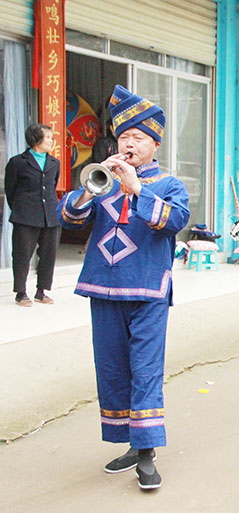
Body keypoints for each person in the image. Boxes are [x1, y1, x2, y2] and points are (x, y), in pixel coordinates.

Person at [57, 85, 190, 491]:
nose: (128, 144)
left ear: (154, 144)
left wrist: (137, 188)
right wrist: (87, 189)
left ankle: (148, 452)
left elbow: (175, 220)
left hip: (148, 290)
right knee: (112, 369)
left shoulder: (168, 183)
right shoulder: (102, 179)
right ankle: (131, 443)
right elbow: (69, 220)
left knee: (145, 370)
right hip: (103, 287)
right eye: (123, 138)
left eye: (137, 139)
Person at [4, 123, 60, 306]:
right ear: (36, 139)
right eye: (48, 137)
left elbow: (52, 186)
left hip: (50, 215)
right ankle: (20, 292)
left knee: (48, 254)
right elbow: (10, 191)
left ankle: (41, 291)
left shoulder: (54, 163)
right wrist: (21, 209)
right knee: (22, 255)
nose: (52, 140)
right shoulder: (18, 162)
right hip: (25, 216)